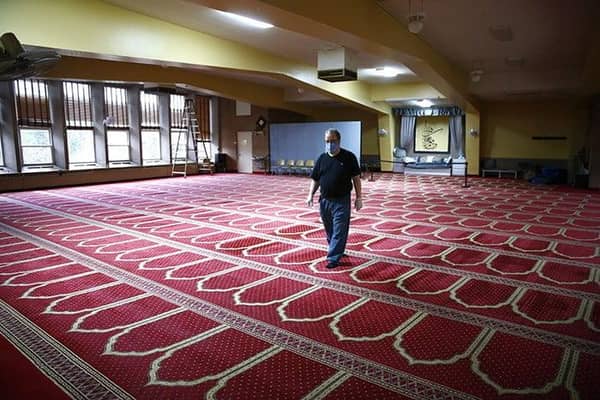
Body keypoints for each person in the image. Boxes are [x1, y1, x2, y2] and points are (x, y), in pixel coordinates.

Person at [307, 128, 362, 269]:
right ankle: (337, 248)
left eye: (333, 141)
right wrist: (310, 195)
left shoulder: (349, 157)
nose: (330, 144)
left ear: (339, 141)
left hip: (342, 200)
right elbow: (315, 179)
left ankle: (333, 257)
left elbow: (356, 178)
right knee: (329, 229)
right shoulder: (322, 158)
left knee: (339, 229)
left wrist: (359, 197)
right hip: (324, 200)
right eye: (327, 141)